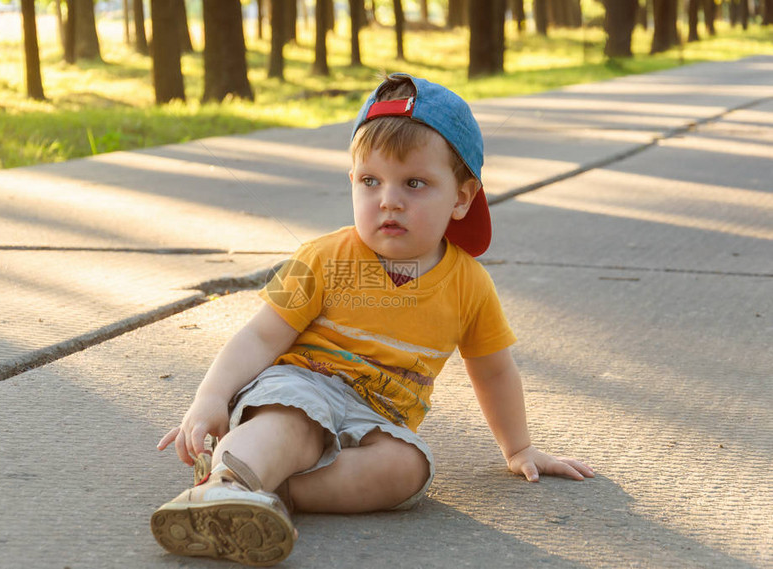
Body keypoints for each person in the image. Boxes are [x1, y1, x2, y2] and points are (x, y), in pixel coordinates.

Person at [152, 73, 595, 566]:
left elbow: (493, 370)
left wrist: (520, 449)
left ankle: (277, 496)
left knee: (408, 470)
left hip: (380, 417)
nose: (389, 199)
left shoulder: (469, 284)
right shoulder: (326, 257)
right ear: (353, 183)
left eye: (415, 183)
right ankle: (225, 484)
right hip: (303, 384)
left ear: (463, 197)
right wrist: (209, 397)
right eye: (371, 181)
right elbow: (260, 335)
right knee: (292, 423)